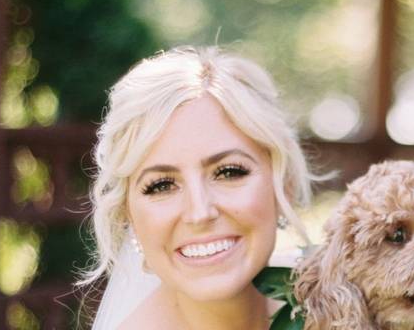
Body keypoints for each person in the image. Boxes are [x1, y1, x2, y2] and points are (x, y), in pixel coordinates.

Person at [78, 46, 314, 330]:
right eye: (162, 185)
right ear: (127, 215)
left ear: (283, 184)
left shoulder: (338, 299)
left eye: (228, 172)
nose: (199, 212)